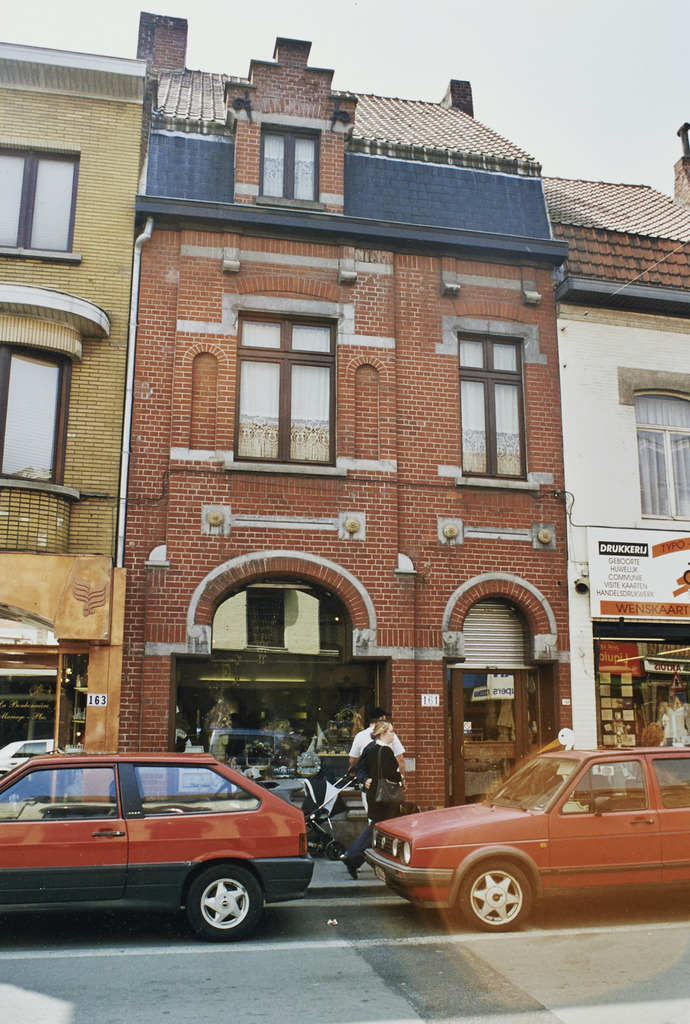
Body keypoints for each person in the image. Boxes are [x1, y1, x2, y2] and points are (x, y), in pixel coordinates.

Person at [341, 720, 403, 879]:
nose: (393, 735)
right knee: (379, 829)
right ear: (383, 733)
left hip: (373, 794)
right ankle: (353, 857)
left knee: (377, 828)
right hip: (386, 797)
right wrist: (400, 778)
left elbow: (359, 768)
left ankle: (356, 857)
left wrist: (364, 780)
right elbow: (391, 774)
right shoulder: (387, 751)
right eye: (391, 732)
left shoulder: (369, 748)